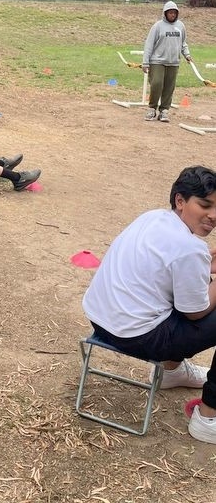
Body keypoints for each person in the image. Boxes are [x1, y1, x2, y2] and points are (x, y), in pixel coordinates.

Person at [82, 165, 216, 444]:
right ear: (180, 200)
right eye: (205, 205)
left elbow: (176, 268)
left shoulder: (153, 217)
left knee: (175, 296)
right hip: (137, 337)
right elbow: (195, 313)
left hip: (101, 320)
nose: (213, 216)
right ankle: (208, 416)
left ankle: (172, 373)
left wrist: (206, 265)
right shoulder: (191, 249)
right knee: (194, 303)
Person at [142, 1, 192, 122]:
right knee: (157, 84)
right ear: (165, 13)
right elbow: (149, 44)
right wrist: (145, 62)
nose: (172, 15)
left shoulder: (180, 26)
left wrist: (187, 55)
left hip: (173, 62)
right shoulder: (157, 26)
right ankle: (152, 109)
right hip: (157, 61)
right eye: (170, 13)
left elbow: (183, 43)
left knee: (169, 87)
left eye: (174, 13)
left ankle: (164, 111)